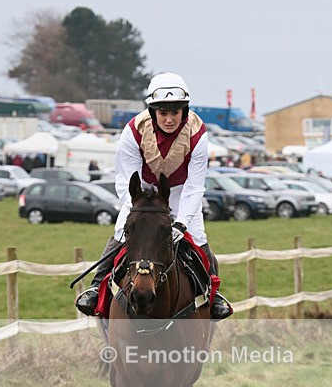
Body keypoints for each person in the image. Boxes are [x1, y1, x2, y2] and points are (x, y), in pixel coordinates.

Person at [76, 72, 232, 320]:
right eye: (163, 113)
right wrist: (137, 211)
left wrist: (181, 223)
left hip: (181, 193)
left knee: (199, 239)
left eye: (175, 112)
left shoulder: (198, 133)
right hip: (143, 195)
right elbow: (126, 179)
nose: (169, 119)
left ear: (184, 110)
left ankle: (213, 298)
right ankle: (95, 288)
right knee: (121, 233)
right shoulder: (133, 131)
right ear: (152, 112)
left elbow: (195, 186)